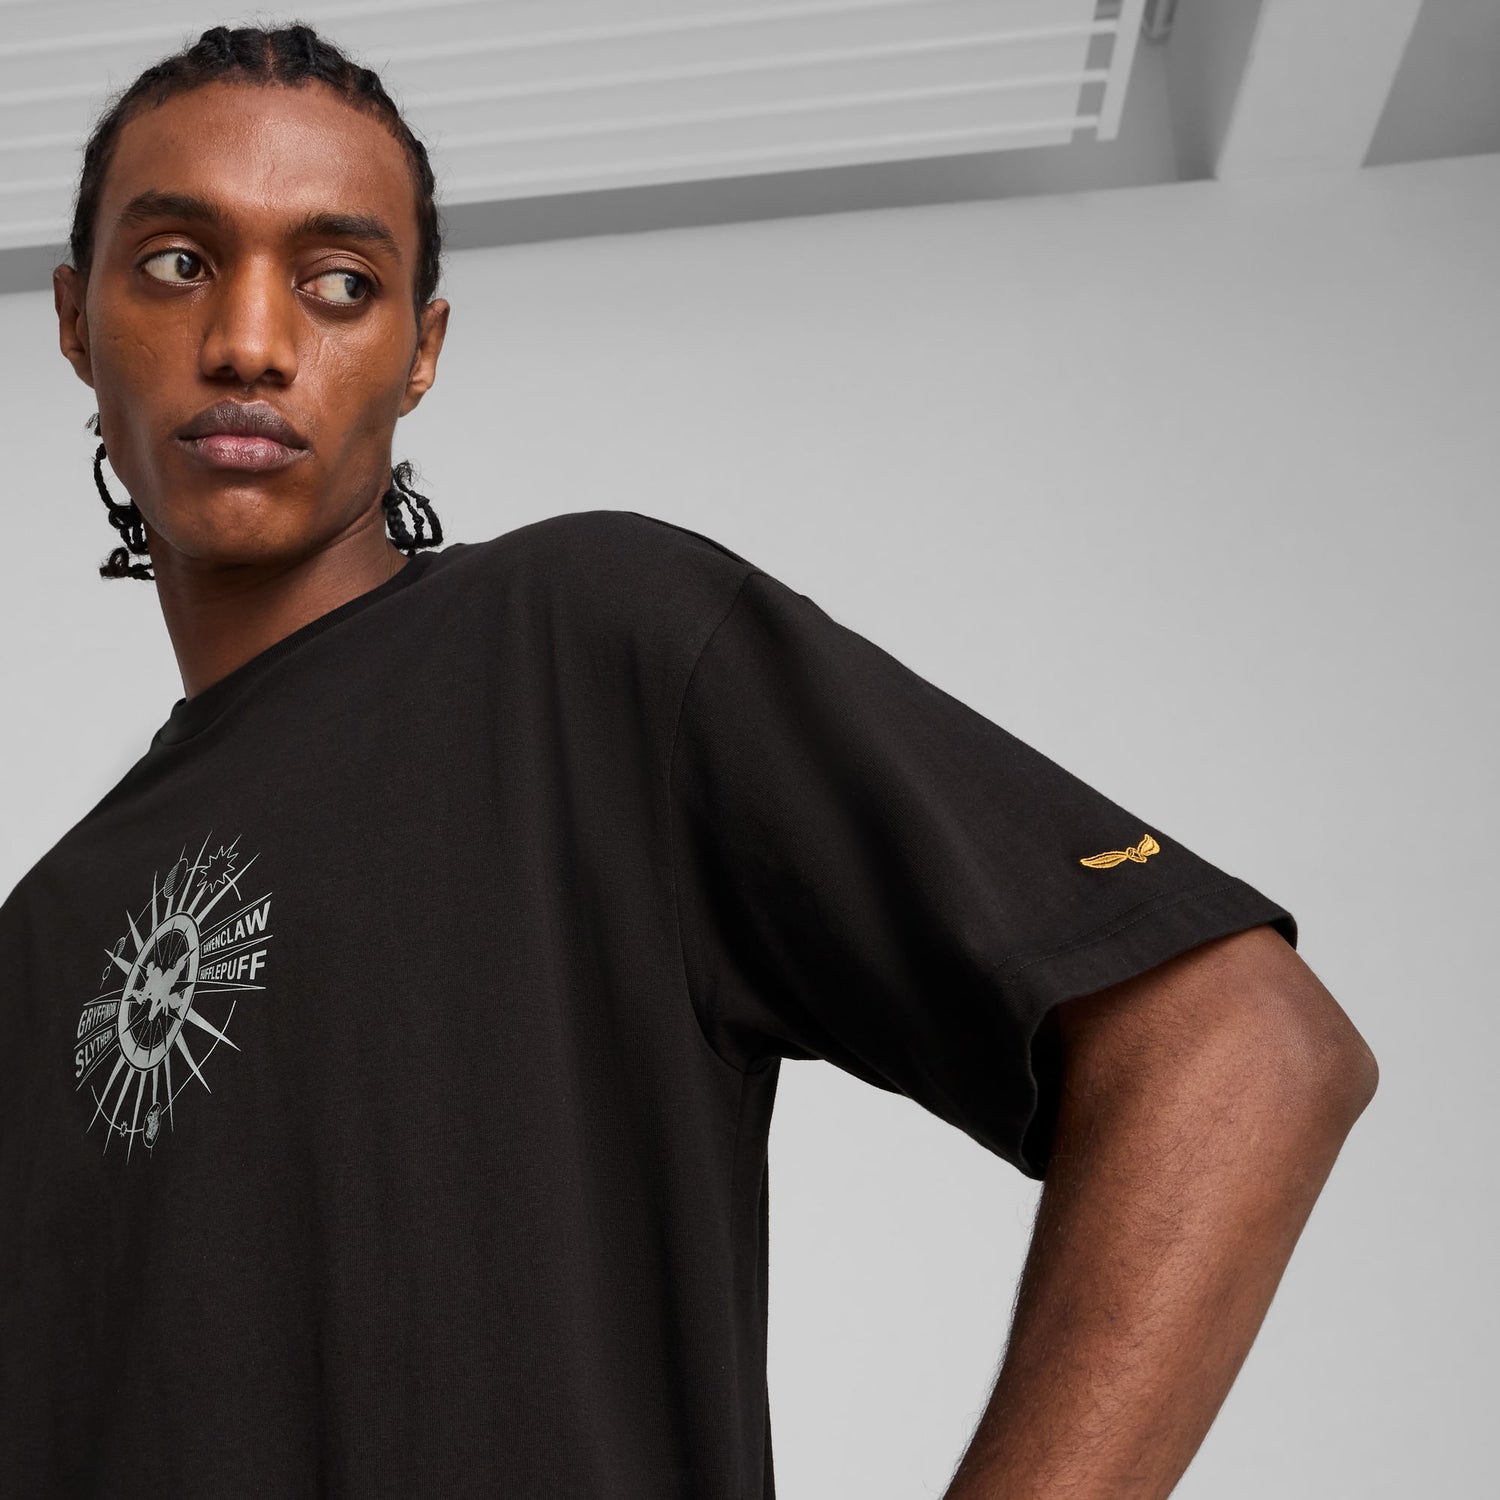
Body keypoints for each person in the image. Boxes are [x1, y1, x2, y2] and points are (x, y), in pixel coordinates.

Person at [0, 23, 1378, 1500]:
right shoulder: (37, 939)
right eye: (176, 263)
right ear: (77, 321)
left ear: (422, 352)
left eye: (340, 281)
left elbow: (1240, 1044)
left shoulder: (588, 644)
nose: (251, 341)